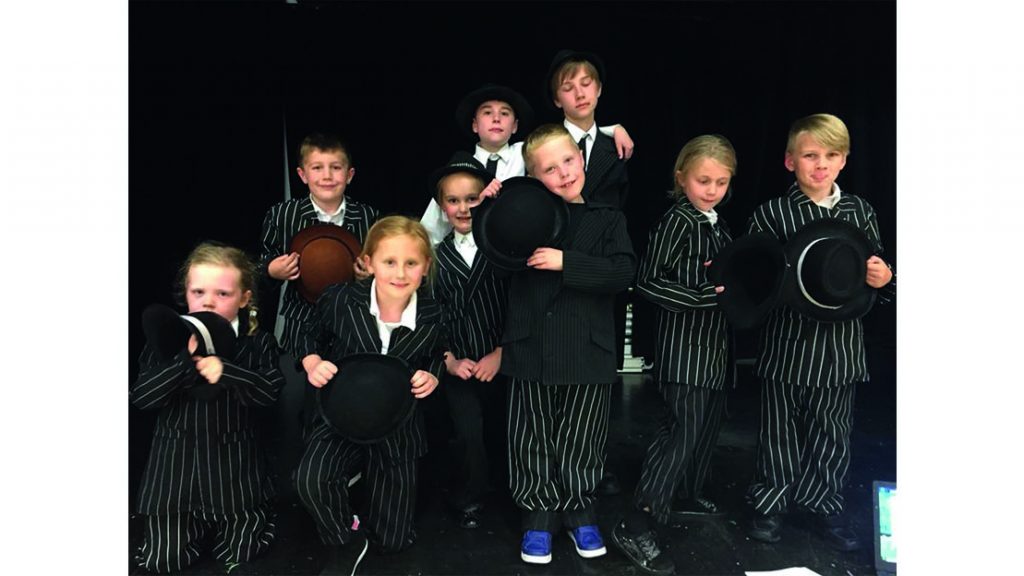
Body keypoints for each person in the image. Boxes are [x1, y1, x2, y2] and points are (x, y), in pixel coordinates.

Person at [744, 113, 895, 551]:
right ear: (790, 161)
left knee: (832, 432)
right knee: (779, 430)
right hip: (787, 344)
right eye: (810, 155)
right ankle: (770, 503)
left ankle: (823, 504)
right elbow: (752, 278)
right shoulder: (772, 214)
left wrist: (886, 278)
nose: (821, 164)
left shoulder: (860, 212)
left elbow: (874, 273)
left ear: (844, 160)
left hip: (840, 348)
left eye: (831, 155)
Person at [501, 124, 635, 565]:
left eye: (568, 161)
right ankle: (538, 516)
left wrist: (567, 263)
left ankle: (580, 511)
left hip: (588, 350)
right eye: (549, 169)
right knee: (531, 436)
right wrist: (495, 207)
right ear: (532, 178)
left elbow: (622, 273)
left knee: (583, 437)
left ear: (582, 158)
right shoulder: (521, 220)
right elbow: (494, 253)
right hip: (531, 348)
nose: (563, 173)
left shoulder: (608, 218)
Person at [611, 135, 738, 575]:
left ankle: (685, 492)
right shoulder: (678, 221)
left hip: (714, 349)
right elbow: (647, 281)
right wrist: (705, 298)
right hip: (684, 351)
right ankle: (636, 522)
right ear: (682, 178)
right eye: (704, 180)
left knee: (703, 426)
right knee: (680, 431)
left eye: (721, 182)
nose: (712, 190)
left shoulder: (717, 225)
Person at [292, 216, 447, 574]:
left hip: (396, 424)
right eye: (389, 262)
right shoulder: (340, 300)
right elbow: (305, 334)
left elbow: (439, 355)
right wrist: (312, 360)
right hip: (341, 416)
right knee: (311, 480)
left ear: (425, 267)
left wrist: (433, 376)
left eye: (411, 263)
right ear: (369, 262)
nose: (400, 273)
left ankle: (365, 483)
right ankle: (346, 537)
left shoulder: (434, 315)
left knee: (393, 541)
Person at [131, 243, 285, 573]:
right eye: (198, 292)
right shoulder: (165, 339)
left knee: (240, 552)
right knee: (162, 560)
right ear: (185, 293)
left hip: (234, 474)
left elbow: (269, 393)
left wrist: (227, 372)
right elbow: (142, 397)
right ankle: (189, 528)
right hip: (175, 476)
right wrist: (182, 363)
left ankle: (256, 516)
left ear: (244, 298)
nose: (208, 301)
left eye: (222, 293)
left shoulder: (258, 342)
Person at [419, 84, 635, 245]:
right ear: (475, 125)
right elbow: (430, 230)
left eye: (505, 113)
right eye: (487, 112)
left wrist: (613, 129)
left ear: (515, 126)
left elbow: (561, 139)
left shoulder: (525, 153)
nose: (496, 119)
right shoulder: (458, 169)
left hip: (518, 254)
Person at [427, 152, 512, 530]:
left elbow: (520, 306)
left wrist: (501, 352)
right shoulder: (434, 258)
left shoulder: (505, 250)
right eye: (453, 200)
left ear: (486, 198)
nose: (463, 208)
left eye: (472, 198)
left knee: (505, 429)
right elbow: (429, 314)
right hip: (458, 364)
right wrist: (448, 359)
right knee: (468, 432)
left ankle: (513, 491)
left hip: (502, 360)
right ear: (442, 207)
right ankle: (469, 495)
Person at [260, 132, 380, 357]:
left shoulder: (368, 216)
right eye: (317, 168)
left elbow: (382, 264)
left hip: (352, 322)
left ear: (349, 175)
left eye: (336, 167)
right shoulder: (282, 215)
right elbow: (262, 264)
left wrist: (370, 275)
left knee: (347, 373)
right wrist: (271, 270)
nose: (327, 176)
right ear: (302, 175)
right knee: (299, 375)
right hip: (300, 322)